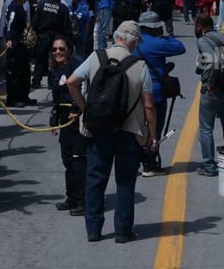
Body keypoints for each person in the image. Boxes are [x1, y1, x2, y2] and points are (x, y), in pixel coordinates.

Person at [66, 21, 157, 243]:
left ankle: (93, 230)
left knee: (96, 179)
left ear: (117, 36)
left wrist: (85, 108)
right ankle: (123, 231)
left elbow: (71, 82)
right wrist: (152, 135)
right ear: (133, 41)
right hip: (129, 131)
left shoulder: (96, 57)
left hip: (99, 129)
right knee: (125, 181)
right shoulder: (140, 66)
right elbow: (148, 105)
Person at [134, 11, 186, 176]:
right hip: (155, 93)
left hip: (134, 92)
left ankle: (134, 162)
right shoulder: (157, 43)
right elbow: (180, 47)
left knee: (136, 128)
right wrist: (168, 35)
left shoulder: (133, 42)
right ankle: (150, 163)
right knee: (154, 129)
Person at [49, 35, 86, 215]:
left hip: (77, 116)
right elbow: (56, 96)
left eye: (61, 49)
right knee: (67, 159)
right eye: (55, 49)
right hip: (64, 118)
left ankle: (82, 199)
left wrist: (75, 108)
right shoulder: (55, 70)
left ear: (69, 50)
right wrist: (54, 118)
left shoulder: (76, 66)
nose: (58, 52)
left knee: (78, 159)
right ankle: (71, 196)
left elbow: (83, 89)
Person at [194, 14, 224, 177]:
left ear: (199, 26)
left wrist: (210, 83)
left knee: (206, 128)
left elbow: (212, 61)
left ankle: (209, 166)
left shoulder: (203, 41)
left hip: (213, 89)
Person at [31, 0, 72, 89]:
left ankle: (36, 81)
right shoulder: (63, 8)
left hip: (43, 36)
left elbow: (34, 23)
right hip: (57, 38)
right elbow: (67, 27)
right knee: (54, 61)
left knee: (40, 60)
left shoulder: (41, 5)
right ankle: (51, 83)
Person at [5, 0, 35, 107]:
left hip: (21, 43)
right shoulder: (14, 7)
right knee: (15, 72)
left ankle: (24, 96)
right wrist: (10, 38)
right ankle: (13, 98)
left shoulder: (21, 7)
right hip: (15, 43)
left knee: (25, 71)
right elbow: (10, 24)